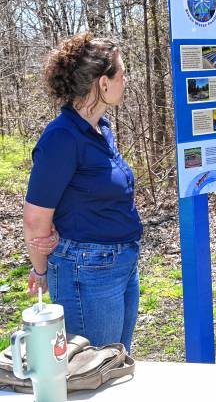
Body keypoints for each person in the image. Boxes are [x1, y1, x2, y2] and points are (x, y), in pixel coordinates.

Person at [24, 33, 143, 353]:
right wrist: (40, 269)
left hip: (121, 263)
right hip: (87, 272)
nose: (126, 79)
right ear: (103, 84)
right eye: (121, 72)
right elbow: (36, 218)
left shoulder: (100, 129)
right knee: (94, 373)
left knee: (117, 362)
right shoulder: (61, 137)